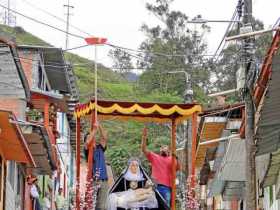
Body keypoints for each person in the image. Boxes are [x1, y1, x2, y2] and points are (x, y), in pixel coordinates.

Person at [141, 127, 180, 207]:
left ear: (168, 151)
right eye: (161, 147)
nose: (163, 148)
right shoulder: (154, 157)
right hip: (153, 186)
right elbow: (144, 149)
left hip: (166, 188)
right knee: (151, 206)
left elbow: (178, 168)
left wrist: (176, 157)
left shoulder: (171, 159)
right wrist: (144, 137)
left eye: (165, 147)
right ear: (159, 150)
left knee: (165, 206)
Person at [84, 123, 108, 210]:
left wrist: (100, 126)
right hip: (94, 180)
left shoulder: (100, 148)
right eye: (90, 137)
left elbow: (104, 138)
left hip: (104, 180)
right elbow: (87, 142)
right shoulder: (87, 150)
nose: (92, 138)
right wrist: (94, 130)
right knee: (91, 205)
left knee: (102, 207)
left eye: (92, 137)